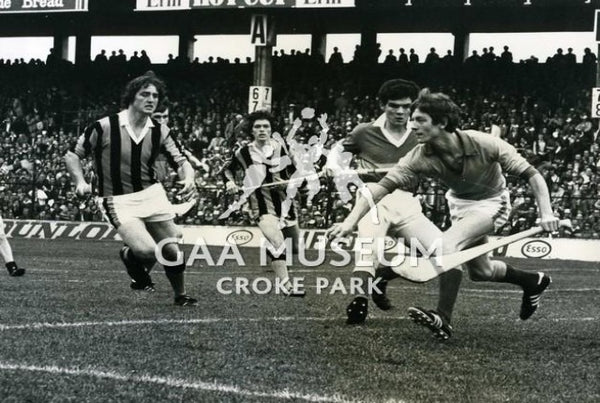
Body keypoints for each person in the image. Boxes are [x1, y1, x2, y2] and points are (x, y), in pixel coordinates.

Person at [328, 89, 558, 340]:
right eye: (412, 119)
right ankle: (532, 281)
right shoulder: (418, 156)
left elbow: (532, 174)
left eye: (419, 120)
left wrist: (545, 213)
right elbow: (379, 189)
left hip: (492, 204)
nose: (411, 124)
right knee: (482, 272)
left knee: (447, 246)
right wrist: (350, 221)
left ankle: (442, 318)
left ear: (442, 122)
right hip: (458, 205)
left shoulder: (484, 143)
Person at [65, 71, 198, 306]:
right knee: (147, 252)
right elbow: (73, 155)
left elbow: (181, 161)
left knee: (170, 249)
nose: (151, 99)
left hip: (152, 195)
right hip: (117, 199)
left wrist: (189, 178)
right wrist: (80, 181)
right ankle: (130, 256)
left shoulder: (160, 130)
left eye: (155, 96)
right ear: (131, 98)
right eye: (144, 94)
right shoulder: (104, 126)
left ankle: (180, 296)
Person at [325, 79, 444, 325]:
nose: (400, 112)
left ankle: (383, 276)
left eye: (406, 107)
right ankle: (359, 301)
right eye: (393, 106)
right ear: (382, 105)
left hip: (409, 202)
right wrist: (332, 165)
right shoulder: (364, 132)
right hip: (373, 198)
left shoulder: (421, 133)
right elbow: (339, 150)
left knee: (441, 253)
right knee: (367, 250)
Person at [221, 110, 303, 296]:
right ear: (252, 130)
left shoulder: (283, 148)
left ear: (271, 129)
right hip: (261, 205)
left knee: (295, 248)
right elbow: (226, 171)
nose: (262, 129)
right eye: (257, 126)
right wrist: (230, 183)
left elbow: (300, 174)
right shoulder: (242, 152)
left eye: (265, 126)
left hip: (286, 205)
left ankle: (275, 255)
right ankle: (287, 286)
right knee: (277, 241)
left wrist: (288, 183)